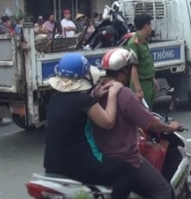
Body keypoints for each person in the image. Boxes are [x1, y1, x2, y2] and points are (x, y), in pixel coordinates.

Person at [44, 53, 146, 199]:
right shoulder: (85, 101)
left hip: (52, 165)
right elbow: (108, 122)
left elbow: (74, 112)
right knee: (128, 173)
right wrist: (112, 93)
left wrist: (95, 97)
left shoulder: (54, 99)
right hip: (79, 166)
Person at [91, 48, 179, 197]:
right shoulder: (124, 93)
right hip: (127, 160)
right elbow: (150, 123)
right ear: (125, 70)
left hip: (102, 160)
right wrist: (170, 127)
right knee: (163, 190)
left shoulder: (96, 91)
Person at [127, 14, 158, 110]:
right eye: (150, 25)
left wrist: (153, 80)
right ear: (146, 26)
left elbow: (146, 64)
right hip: (142, 84)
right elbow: (133, 67)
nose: (151, 28)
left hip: (149, 83)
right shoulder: (133, 43)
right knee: (143, 113)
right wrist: (138, 89)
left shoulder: (143, 41)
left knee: (149, 111)